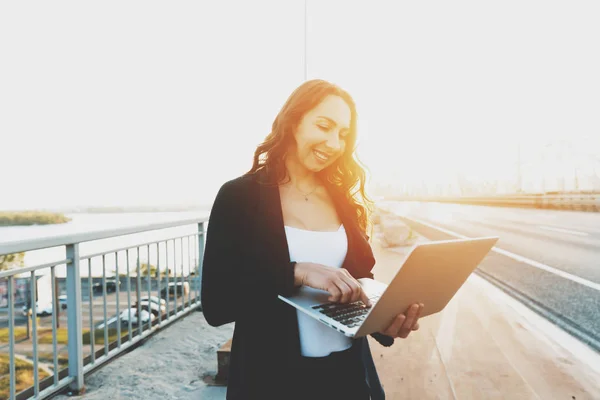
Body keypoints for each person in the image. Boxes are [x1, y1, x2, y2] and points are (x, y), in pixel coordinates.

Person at [201, 79, 423, 400]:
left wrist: (383, 322)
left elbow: (361, 281)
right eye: (324, 126)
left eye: (343, 134)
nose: (334, 143)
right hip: (271, 382)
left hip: (346, 380)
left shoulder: (344, 201)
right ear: (294, 122)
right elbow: (217, 304)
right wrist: (295, 272)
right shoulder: (239, 196)